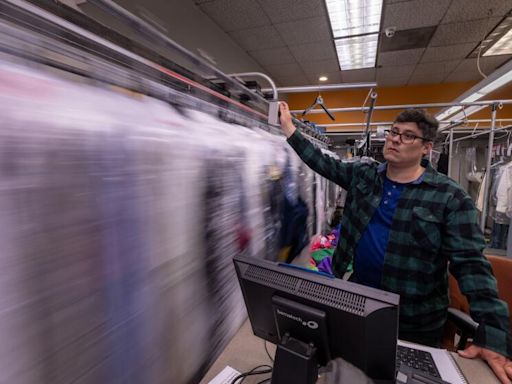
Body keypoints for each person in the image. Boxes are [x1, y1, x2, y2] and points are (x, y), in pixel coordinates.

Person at [278, 102, 512, 384]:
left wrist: (494, 337)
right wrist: (289, 127)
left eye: (408, 135)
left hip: (413, 321)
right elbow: (322, 162)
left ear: (427, 147)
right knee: (345, 373)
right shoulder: (365, 176)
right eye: (393, 132)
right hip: (357, 303)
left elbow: (472, 267)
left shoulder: (449, 197)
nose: (395, 139)